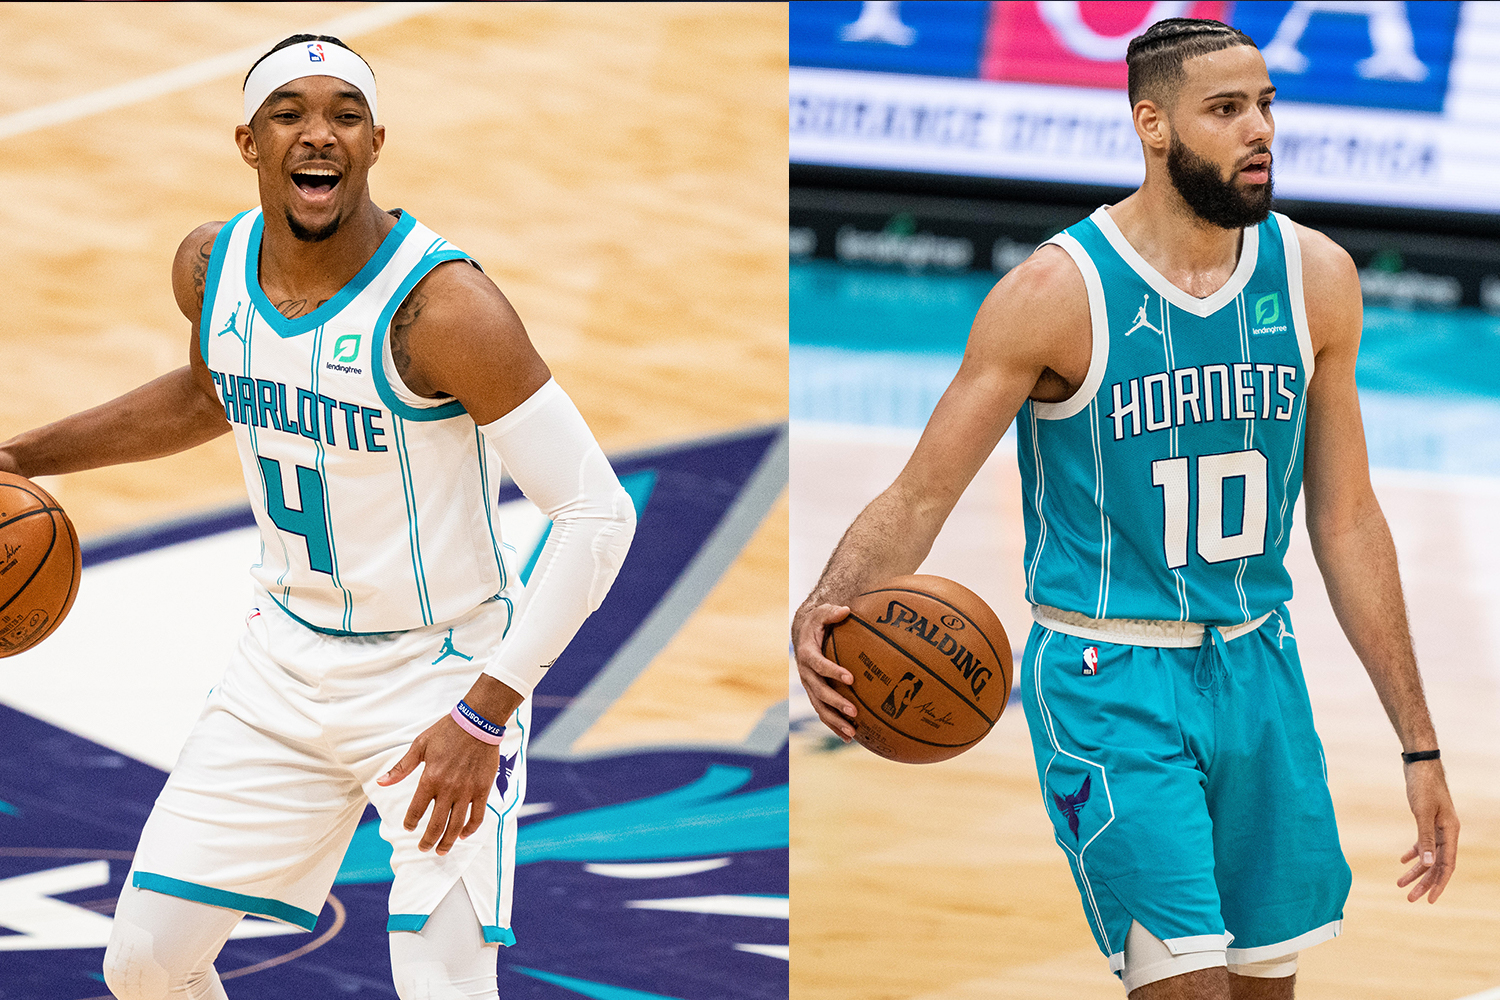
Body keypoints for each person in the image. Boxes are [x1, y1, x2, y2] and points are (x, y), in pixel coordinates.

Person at [793, 18, 1458, 1000]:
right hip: (1111, 680)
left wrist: (1421, 745)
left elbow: (1348, 519)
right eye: (1226, 109)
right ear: (1153, 125)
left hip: (1259, 668)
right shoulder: (1055, 294)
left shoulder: (1318, 279)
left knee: (1263, 990)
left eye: (1266, 104)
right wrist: (830, 598)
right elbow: (924, 490)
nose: (1259, 129)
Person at [0, 34, 636, 1000]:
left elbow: (596, 513)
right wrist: (19, 458)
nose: (318, 135)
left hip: (439, 677)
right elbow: (217, 392)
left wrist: (486, 711)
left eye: (343, 114)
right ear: (249, 143)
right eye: (289, 113)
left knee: (444, 986)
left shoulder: (446, 311)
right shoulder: (210, 266)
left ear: (377, 140)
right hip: (281, 670)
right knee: (145, 966)